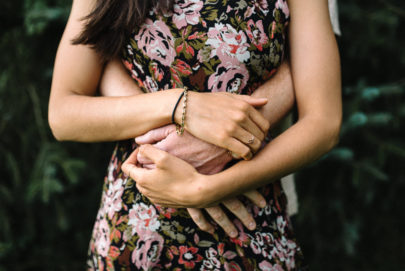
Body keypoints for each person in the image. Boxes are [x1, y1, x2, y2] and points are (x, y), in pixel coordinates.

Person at [48, 0, 342, 270]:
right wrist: (181, 105)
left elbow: (323, 122)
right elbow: (63, 113)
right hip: (136, 228)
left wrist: (208, 189)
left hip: (246, 220)